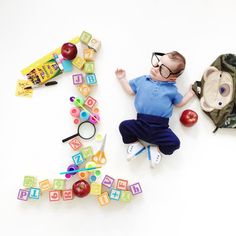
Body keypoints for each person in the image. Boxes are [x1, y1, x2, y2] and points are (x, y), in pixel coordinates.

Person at [115, 51, 195, 168]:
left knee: (175, 144)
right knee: (123, 126)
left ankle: (156, 149)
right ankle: (135, 144)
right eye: (157, 63)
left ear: (172, 78)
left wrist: (191, 93)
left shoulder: (172, 90)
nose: (156, 69)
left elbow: (180, 103)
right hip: (140, 124)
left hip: (161, 129)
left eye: (163, 70)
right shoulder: (143, 80)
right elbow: (131, 91)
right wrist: (122, 79)